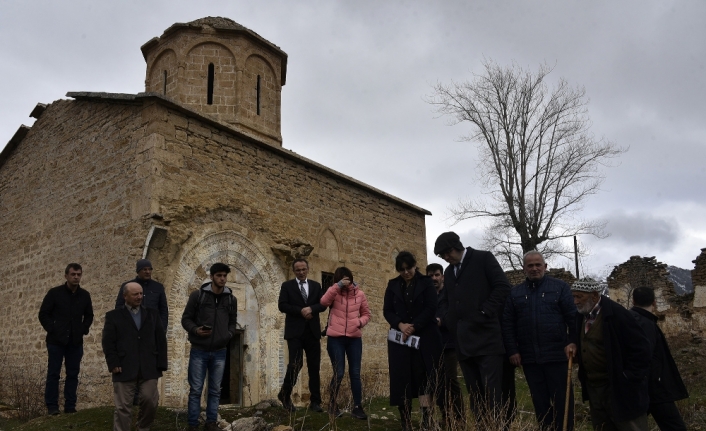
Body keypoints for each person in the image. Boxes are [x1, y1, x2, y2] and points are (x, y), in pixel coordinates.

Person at [434, 232, 511, 426]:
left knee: (492, 393)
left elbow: (502, 287)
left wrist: (484, 312)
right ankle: (481, 426)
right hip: (463, 343)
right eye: (442, 255)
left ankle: (496, 426)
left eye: (447, 252)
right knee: (475, 394)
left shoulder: (483, 258)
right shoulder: (449, 272)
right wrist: (450, 321)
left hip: (487, 340)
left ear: (456, 246)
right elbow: (445, 302)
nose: (445, 258)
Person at [502, 251, 577, 431]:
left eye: (538, 265)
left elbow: (573, 318)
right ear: (524, 269)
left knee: (563, 403)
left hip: (557, 356)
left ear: (545, 266)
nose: (534, 268)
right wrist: (513, 350)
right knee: (540, 403)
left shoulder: (560, 287)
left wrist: (572, 341)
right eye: (530, 265)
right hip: (530, 359)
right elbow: (507, 324)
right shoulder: (515, 293)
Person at [572, 278, 651, 431]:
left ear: (594, 296)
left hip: (620, 390)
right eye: (573, 296)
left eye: (579, 296)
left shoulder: (617, 315)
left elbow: (641, 350)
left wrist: (628, 377)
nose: (575, 301)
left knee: (630, 426)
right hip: (595, 389)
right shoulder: (581, 316)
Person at [384, 251, 443, 431]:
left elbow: (431, 307)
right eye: (401, 270)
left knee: (424, 379)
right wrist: (401, 325)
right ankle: (406, 421)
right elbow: (387, 310)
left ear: (414, 266)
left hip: (424, 338)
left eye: (408, 268)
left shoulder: (426, 283)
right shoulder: (393, 285)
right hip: (401, 340)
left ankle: (426, 419)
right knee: (402, 380)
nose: (406, 272)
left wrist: (414, 326)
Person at [102, 282, 168, 431]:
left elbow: (160, 340)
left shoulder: (152, 314)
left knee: (150, 401)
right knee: (123, 408)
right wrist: (113, 363)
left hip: (149, 366)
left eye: (141, 293)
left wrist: (161, 364)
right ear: (125, 296)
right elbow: (108, 342)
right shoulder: (113, 316)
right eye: (135, 294)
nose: (139, 297)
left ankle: (143, 427)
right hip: (123, 367)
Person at [181, 263, 238, 431]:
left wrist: (228, 335)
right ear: (212, 276)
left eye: (224, 276)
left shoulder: (231, 299)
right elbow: (186, 319)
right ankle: (193, 424)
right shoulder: (197, 296)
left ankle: (211, 422)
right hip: (199, 349)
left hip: (220, 351)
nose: (222, 279)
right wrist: (195, 330)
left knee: (215, 389)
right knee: (196, 389)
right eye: (219, 275)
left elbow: (233, 322)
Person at [38, 263, 94, 416]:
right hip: (56, 342)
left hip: (75, 342)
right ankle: (52, 407)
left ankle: (70, 406)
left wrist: (83, 329)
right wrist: (53, 328)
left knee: (73, 374)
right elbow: (43, 314)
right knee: (53, 374)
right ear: (66, 276)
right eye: (73, 274)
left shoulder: (85, 295)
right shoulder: (54, 293)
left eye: (78, 274)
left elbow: (89, 315)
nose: (76, 277)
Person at [630, 287, 689, 431]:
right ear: (654, 303)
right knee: (675, 426)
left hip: (638, 386)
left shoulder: (630, 320)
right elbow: (645, 356)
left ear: (633, 301)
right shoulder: (645, 323)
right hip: (654, 386)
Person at [320, 267, 371, 419]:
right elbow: (323, 302)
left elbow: (367, 314)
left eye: (347, 278)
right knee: (339, 372)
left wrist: (359, 322)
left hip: (354, 339)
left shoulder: (360, 294)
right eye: (343, 279)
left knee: (355, 373)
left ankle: (357, 407)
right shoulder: (334, 292)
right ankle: (333, 405)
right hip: (336, 339)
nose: (346, 281)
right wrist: (337, 286)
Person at [277, 258, 326, 413]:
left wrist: (311, 309)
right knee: (295, 364)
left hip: (312, 332)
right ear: (294, 271)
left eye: (303, 269)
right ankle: (285, 394)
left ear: (308, 269)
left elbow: (323, 304)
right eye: (298, 270)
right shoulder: (287, 286)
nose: (301, 272)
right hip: (295, 332)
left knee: (314, 367)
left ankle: (315, 402)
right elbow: (282, 305)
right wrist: (300, 311)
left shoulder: (316, 286)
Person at [427, 262, 464, 426]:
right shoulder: (427, 296)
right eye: (430, 275)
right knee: (438, 382)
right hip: (433, 344)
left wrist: (441, 320)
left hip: (449, 343)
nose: (434, 278)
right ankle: (445, 416)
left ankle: (460, 418)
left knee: (451, 380)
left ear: (442, 276)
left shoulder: (449, 293)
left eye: (436, 275)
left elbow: (452, 313)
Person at [116, 259, 168, 330]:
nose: (148, 272)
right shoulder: (127, 286)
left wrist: (162, 328)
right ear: (138, 271)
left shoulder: (158, 287)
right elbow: (119, 307)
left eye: (150, 269)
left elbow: (163, 310)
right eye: (144, 269)